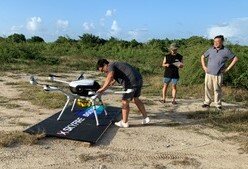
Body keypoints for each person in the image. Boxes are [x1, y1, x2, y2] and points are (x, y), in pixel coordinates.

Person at [96, 59, 150, 128]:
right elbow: (123, 72)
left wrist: (102, 89)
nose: (104, 72)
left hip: (130, 82)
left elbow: (110, 76)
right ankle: (145, 118)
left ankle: (124, 122)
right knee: (135, 99)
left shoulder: (110, 65)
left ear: (105, 64)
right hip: (138, 79)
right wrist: (114, 81)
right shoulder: (116, 64)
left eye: (103, 70)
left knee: (125, 101)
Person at [201, 35, 238, 110]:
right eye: (214, 41)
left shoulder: (226, 50)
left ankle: (217, 104)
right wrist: (204, 67)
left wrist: (227, 69)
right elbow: (202, 57)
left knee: (217, 89)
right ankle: (207, 103)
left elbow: (235, 58)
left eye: (217, 41)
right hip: (208, 73)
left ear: (222, 42)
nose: (215, 43)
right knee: (207, 88)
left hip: (218, 74)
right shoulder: (211, 49)